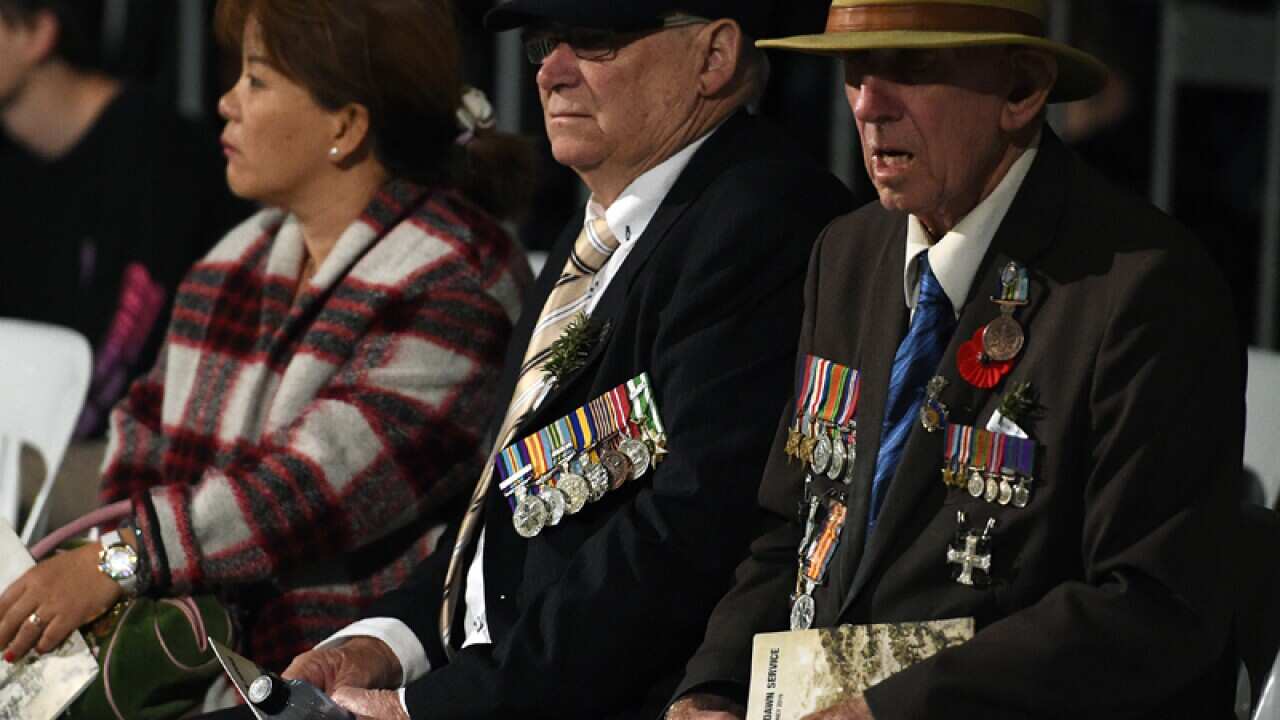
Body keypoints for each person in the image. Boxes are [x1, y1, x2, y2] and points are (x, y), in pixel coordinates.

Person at [229, 1, 854, 718]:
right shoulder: (600, 224)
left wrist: (431, 708)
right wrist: (384, 642)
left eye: (595, 42)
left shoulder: (761, 215)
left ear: (713, 57)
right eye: (545, 45)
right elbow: (499, 511)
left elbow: (685, 541)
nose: (551, 73)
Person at [669, 1, 1245, 719]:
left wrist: (892, 708)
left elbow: (1154, 605)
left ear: (1020, 92)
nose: (869, 105)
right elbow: (795, 523)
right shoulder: (847, 255)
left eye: (910, 67)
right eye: (854, 71)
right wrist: (714, 683)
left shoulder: (1140, 286)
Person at [0, 0, 534, 679]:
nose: (225, 103)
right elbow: (142, 434)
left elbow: (312, 487)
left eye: (256, 80)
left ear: (345, 125)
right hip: (194, 657)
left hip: (333, 671)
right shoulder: (237, 258)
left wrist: (123, 558)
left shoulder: (457, 274)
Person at [0, 0, 245, 437]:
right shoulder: (15, 160)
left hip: (135, 450)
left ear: (37, 34)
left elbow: (124, 357)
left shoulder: (157, 151)